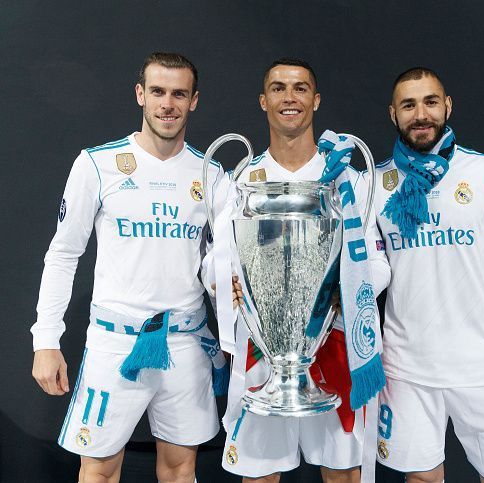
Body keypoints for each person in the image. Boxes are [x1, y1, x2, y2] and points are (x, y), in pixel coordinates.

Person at [31, 52, 228, 483]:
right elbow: (64, 253)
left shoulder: (212, 173)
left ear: (194, 101)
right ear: (140, 94)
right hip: (115, 342)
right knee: (99, 470)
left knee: (181, 469)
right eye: (157, 91)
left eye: (179, 94)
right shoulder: (97, 164)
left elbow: (223, 267)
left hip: (185, 343)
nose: (167, 104)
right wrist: (45, 339)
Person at [372, 67, 484, 483]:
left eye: (430, 102)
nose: (421, 114)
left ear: (447, 106)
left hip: (481, 363)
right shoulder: (374, 182)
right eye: (409, 105)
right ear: (393, 113)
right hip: (406, 367)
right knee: (420, 479)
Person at [214, 58, 390, 483]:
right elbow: (214, 259)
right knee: (258, 476)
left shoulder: (347, 179)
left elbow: (379, 262)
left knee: (343, 473)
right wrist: (228, 283)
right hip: (262, 350)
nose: (288, 97)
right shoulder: (240, 180)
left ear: (315, 99)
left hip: (334, 343)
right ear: (263, 100)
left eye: (299, 88)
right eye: (278, 88)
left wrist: (343, 287)